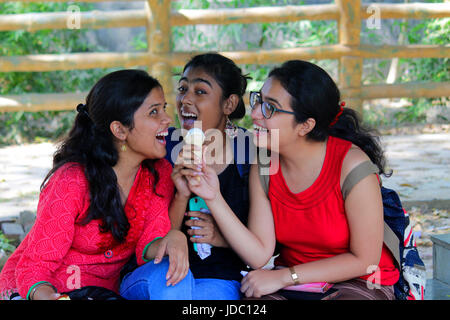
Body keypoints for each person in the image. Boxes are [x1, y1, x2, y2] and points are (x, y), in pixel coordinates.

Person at [181, 60, 400, 300]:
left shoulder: (353, 168)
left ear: (305, 125)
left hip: (358, 282)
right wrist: (213, 197)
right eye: (259, 101)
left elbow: (364, 260)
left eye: (270, 108)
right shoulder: (264, 164)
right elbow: (259, 254)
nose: (255, 114)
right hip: (295, 284)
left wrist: (284, 277)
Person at [0, 69, 189, 300]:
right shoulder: (72, 180)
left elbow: (148, 245)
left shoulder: (158, 173)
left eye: (164, 108)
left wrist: (174, 238)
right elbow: (35, 266)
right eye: (153, 112)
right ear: (119, 130)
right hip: (39, 290)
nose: (167, 119)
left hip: (102, 294)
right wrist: (50, 297)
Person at [120, 53, 253, 300]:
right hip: (158, 270)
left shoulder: (251, 152)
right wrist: (180, 196)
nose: (185, 99)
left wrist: (220, 237)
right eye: (182, 89)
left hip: (218, 278)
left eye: (200, 91)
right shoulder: (161, 146)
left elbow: (268, 246)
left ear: (229, 104)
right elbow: (145, 237)